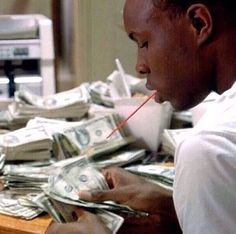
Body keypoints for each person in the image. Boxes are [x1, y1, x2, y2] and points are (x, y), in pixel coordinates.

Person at [46, 0, 236, 233]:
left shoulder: (209, 149)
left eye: (144, 43)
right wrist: (176, 205)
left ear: (199, 23)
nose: (139, 66)